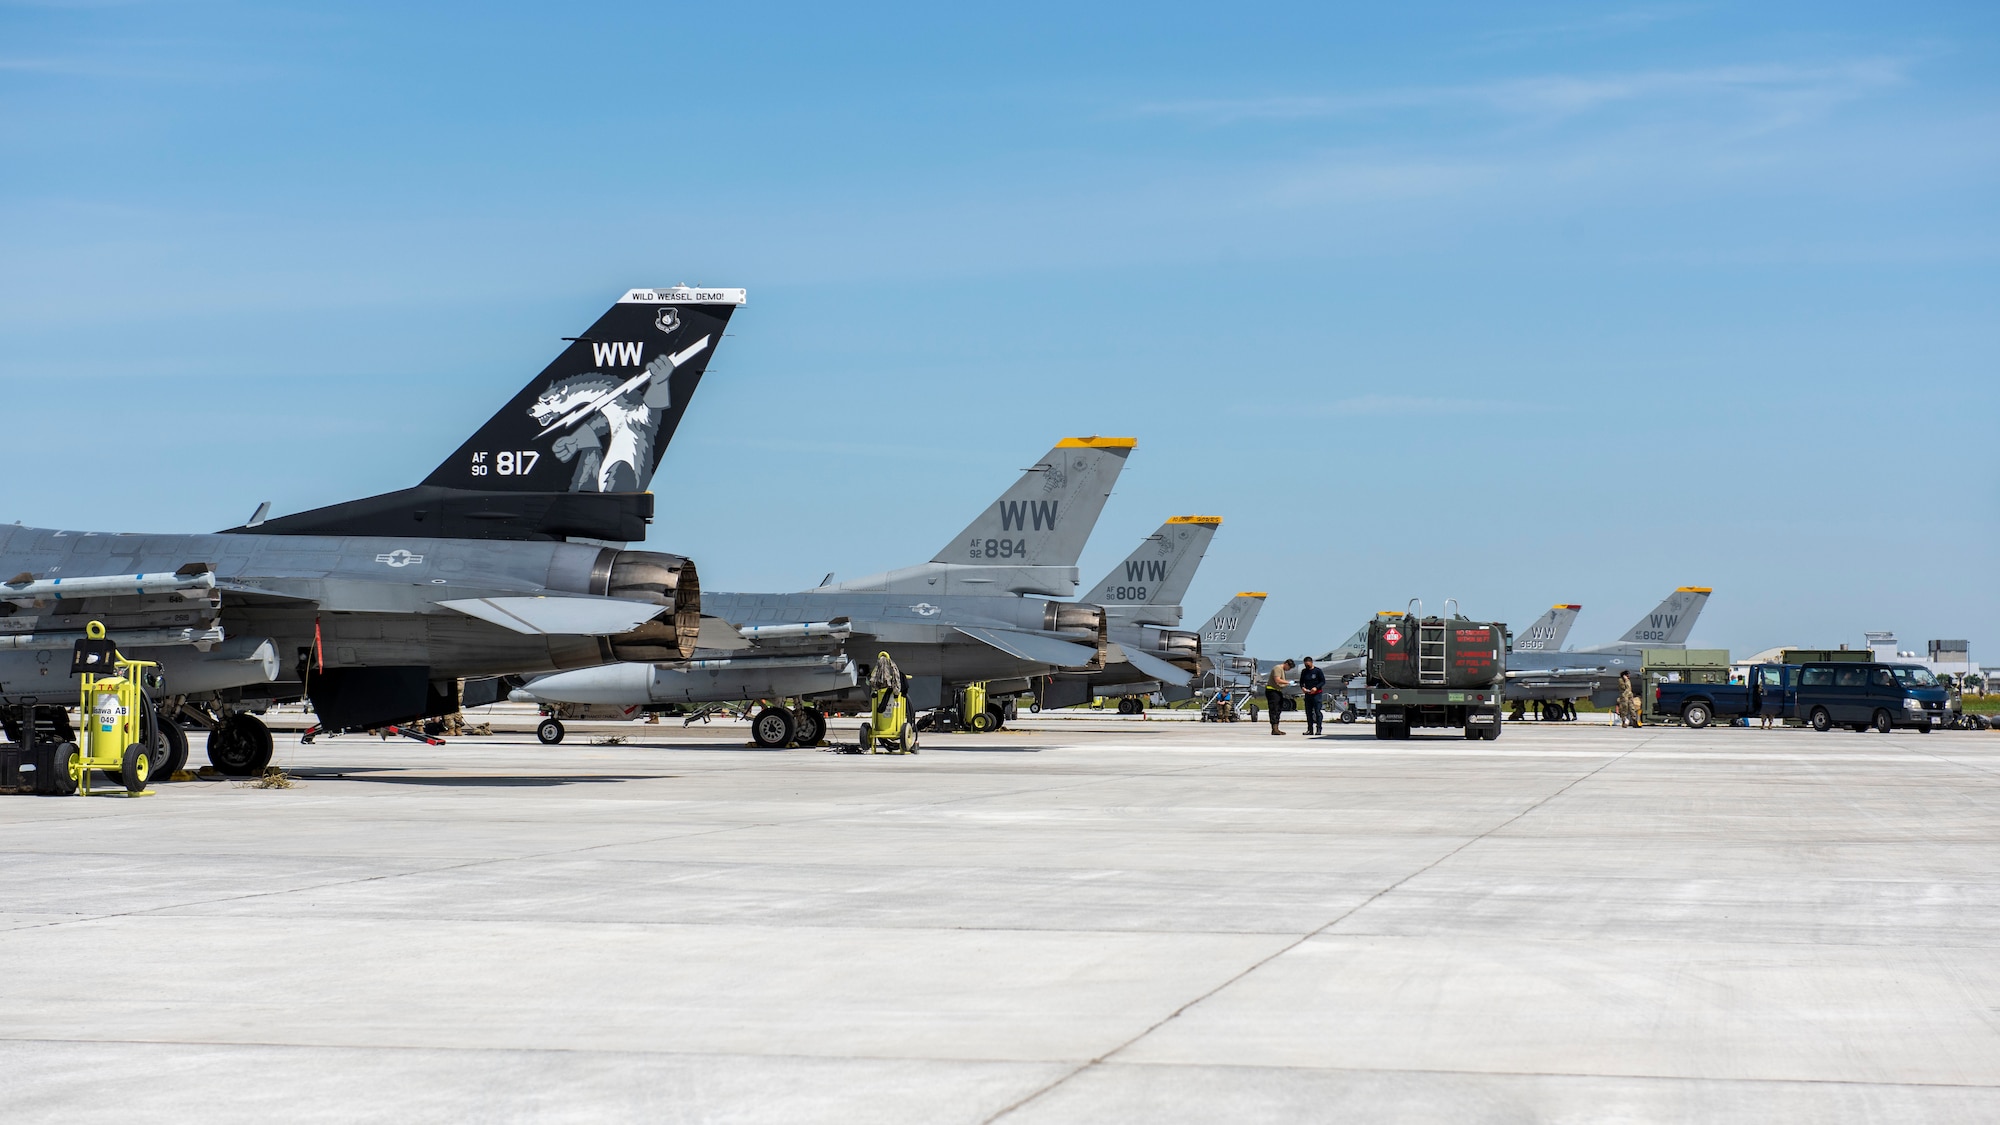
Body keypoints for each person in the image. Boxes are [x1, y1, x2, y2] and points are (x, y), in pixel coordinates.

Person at [1265, 659, 1294, 736]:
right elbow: (1277, 680)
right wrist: (1288, 682)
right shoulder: (1277, 668)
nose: (1289, 670)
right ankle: (1274, 728)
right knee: (1274, 709)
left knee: (1278, 709)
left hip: (1277, 691)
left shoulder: (1282, 670)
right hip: (1272, 691)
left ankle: (1276, 728)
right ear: (1286, 664)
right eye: (1289, 668)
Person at [1299, 656, 1326, 735]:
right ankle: (1310, 729)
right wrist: (1303, 688)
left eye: (1308, 664)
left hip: (1317, 694)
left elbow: (1323, 681)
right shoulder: (1304, 671)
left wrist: (1316, 688)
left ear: (1311, 662)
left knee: (1317, 712)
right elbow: (1301, 682)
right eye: (1305, 664)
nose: (1307, 666)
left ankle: (1319, 729)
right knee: (1308, 712)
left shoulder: (1318, 671)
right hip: (1308, 694)